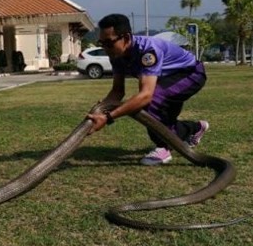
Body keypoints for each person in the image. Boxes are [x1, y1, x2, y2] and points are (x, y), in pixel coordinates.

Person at [86, 13, 209, 165]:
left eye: (109, 43)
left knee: (149, 104)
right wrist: (101, 109)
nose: (105, 48)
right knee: (166, 123)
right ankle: (195, 128)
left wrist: (108, 117)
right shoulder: (116, 56)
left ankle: (163, 148)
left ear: (126, 37)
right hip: (164, 80)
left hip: (189, 74)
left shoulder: (148, 50)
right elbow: (117, 91)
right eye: (101, 43)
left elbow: (146, 95)